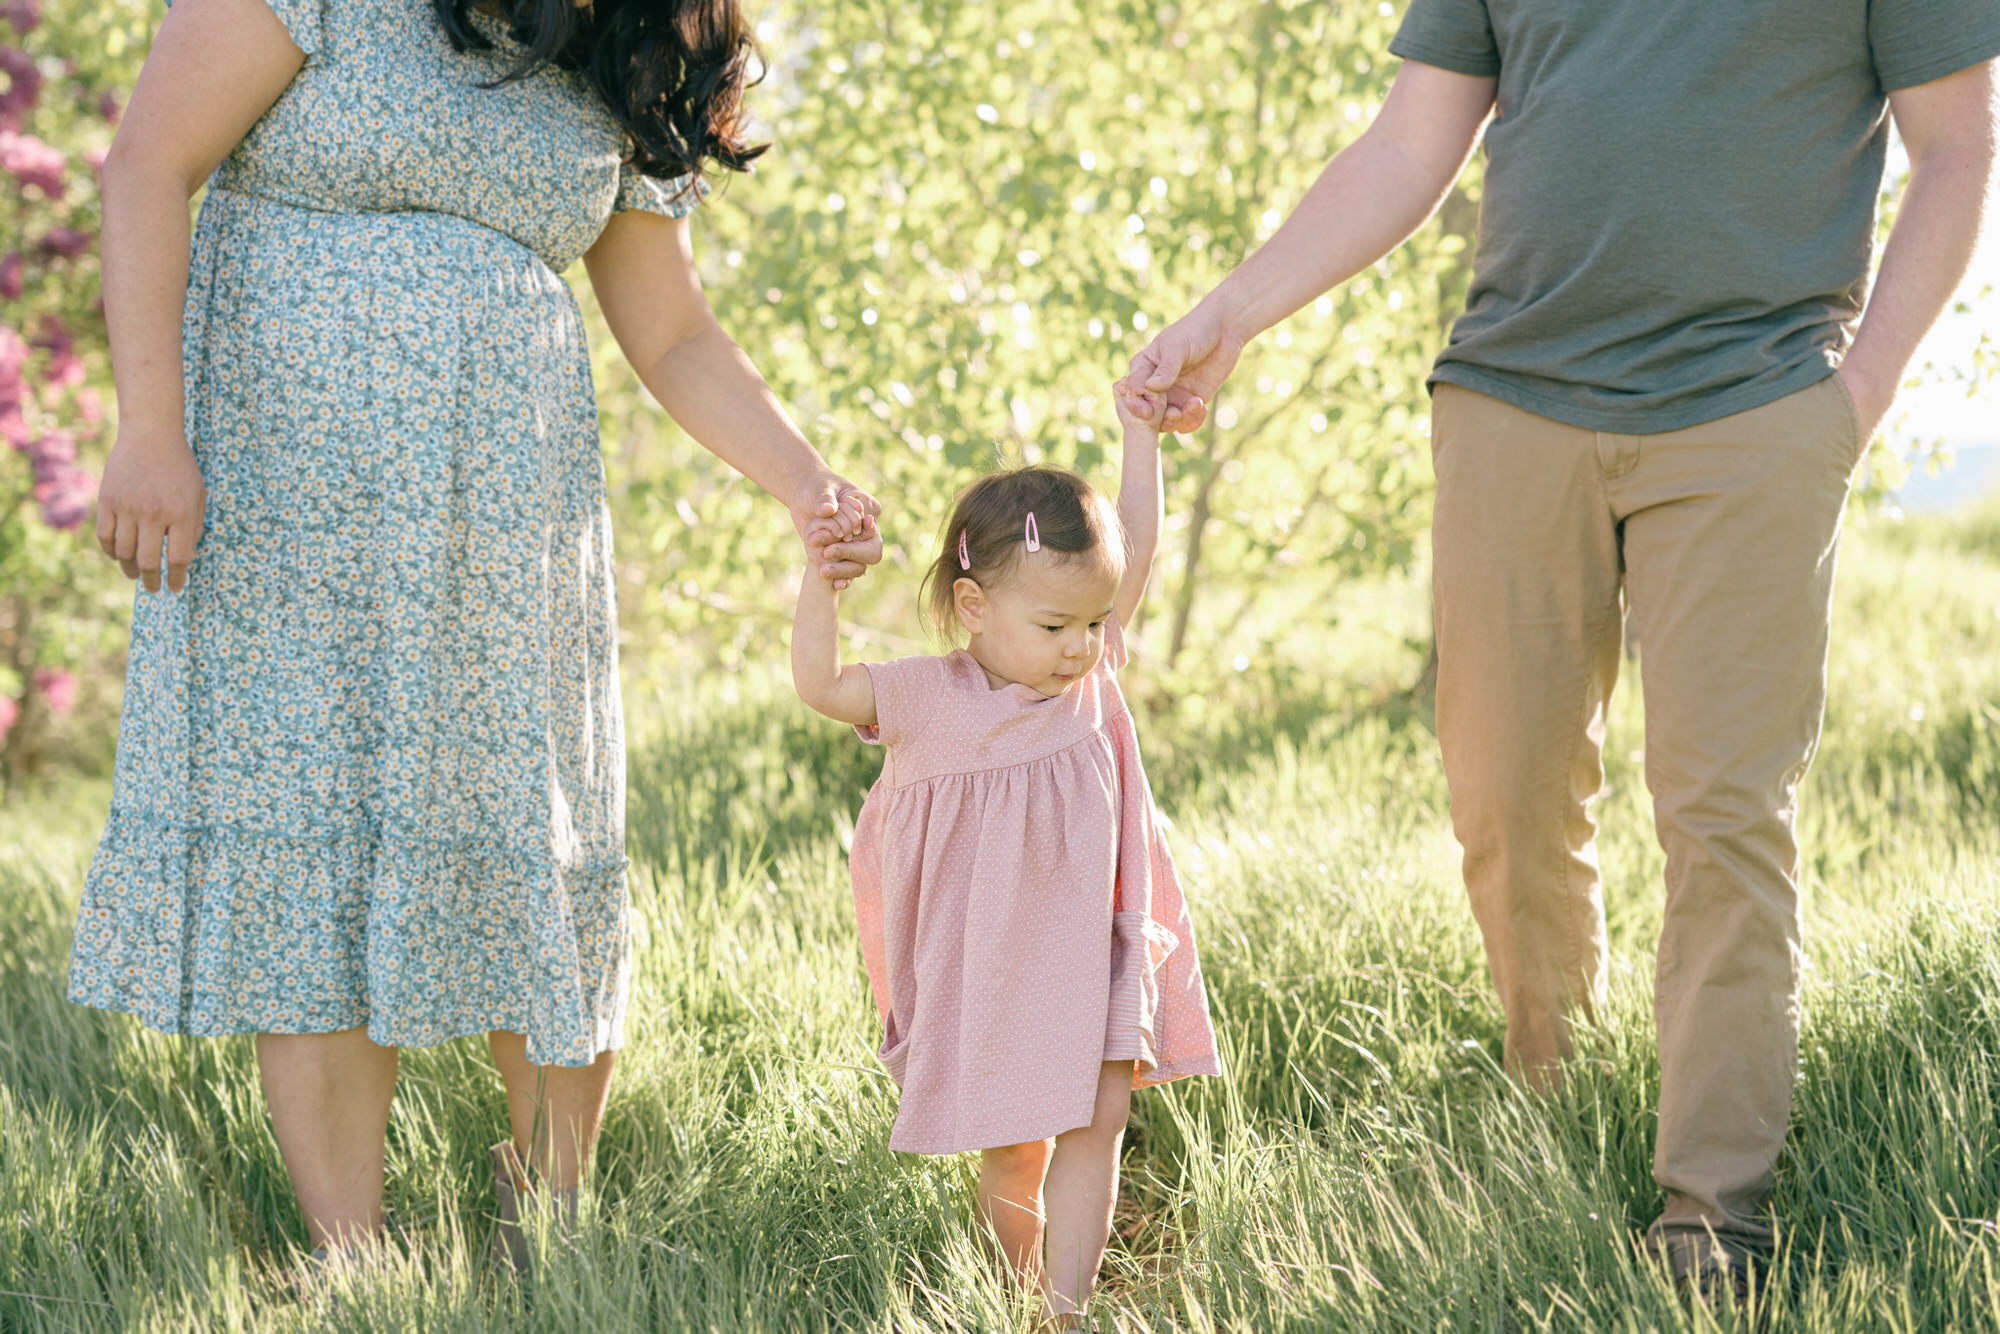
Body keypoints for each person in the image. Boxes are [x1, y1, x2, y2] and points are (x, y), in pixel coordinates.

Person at [1120, 0, 2000, 1295]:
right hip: (1510, 394)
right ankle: (1559, 1102)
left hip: (1756, 406)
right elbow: (1411, 141)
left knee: (1724, 812)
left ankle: (1714, 1218)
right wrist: (1232, 312)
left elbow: (1961, 147)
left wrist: (1850, 403)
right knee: (1506, 789)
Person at [67, 0, 881, 1269]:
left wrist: (804, 483)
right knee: (319, 833)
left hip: (506, 516)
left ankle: (543, 1232)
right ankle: (358, 1264)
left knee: (538, 822)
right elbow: (149, 167)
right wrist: (147, 429)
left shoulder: (636, 45)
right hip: (290, 494)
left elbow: (668, 328)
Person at [790, 397, 1220, 1327]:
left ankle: (1064, 1313)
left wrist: (1139, 436)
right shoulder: (927, 697)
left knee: (1098, 1121)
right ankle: (1020, 1293)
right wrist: (820, 584)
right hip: (994, 963)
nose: (1082, 647)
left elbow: (1136, 546)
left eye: (1096, 623)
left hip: (1093, 944)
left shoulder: (1086, 680)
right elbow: (821, 685)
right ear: (975, 607)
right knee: (1015, 1149)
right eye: (1058, 626)